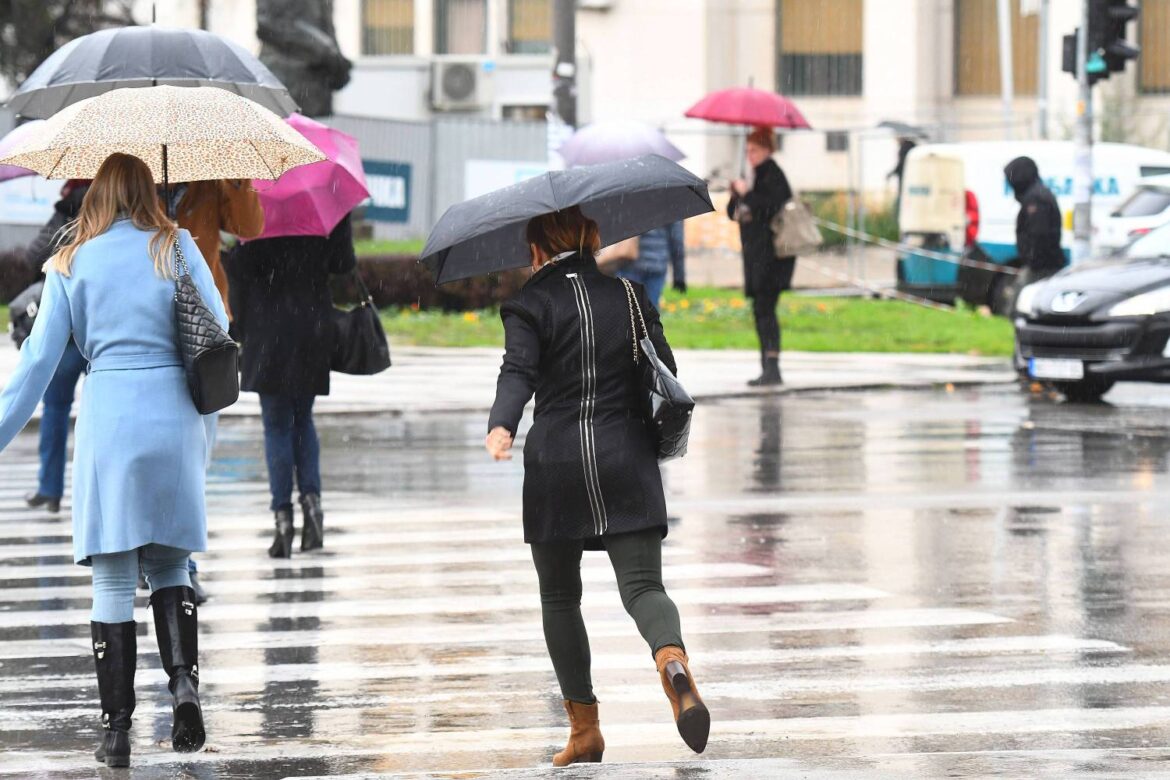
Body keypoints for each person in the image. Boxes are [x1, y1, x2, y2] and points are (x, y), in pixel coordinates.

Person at [0, 154, 223, 767]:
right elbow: (219, 328)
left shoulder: (72, 262)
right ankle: (183, 683)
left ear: (95, 195)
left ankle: (117, 732)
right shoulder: (175, 246)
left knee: (114, 578)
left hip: (113, 423)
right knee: (172, 567)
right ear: (149, 191)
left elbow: (37, 368)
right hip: (174, 416)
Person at [486, 207, 710, 766]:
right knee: (643, 589)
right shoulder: (630, 296)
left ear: (536, 244)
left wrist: (502, 423)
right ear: (590, 237)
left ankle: (584, 730)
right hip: (625, 458)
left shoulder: (527, 304)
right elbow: (666, 368)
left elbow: (517, 370)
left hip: (557, 463)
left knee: (560, 598)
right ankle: (671, 662)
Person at [227, 215, 356, 558]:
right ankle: (313, 507)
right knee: (303, 420)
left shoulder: (256, 204)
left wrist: (240, 331)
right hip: (311, 324)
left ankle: (282, 519)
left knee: (277, 426)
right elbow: (343, 263)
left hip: (266, 330)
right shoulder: (320, 204)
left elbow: (239, 273)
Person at [171, 178, 264, 602]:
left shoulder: (210, 185)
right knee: (158, 452)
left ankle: (184, 562)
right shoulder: (133, 184)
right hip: (152, 328)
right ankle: (147, 551)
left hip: (204, 330)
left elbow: (249, 226)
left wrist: (239, 181)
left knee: (195, 453)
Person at [20, 180, 89, 513]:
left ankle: (50, 488)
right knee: (98, 411)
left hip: (67, 333)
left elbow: (36, 254)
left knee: (56, 407)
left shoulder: (69, 209)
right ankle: (95, 490)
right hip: (102, 335)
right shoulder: (131, 209)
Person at [728, 128, 793, 387]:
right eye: (748, 151)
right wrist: (736, 193)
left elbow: (770, 206)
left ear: (767, 149)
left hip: (772, 257)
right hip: (755, 255)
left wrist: (747, 193)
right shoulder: (752, 176)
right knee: (759, 309)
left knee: (766, 309)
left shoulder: (773, 174)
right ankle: (766, 366)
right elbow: (734, 211)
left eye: (754, 150)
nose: (750, 155)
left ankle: (772, 367)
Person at [1004, 155, 1064, 291]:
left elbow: (1039, 234)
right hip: (1043, 265)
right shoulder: (1038, 194)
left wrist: (1033, 261)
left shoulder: (1036, 199)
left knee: (1020, 301)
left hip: (1041, 268)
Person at [616, 221, 687, 307]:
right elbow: (676, 239)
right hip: (656, 264)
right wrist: (679, 276)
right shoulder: (670, 208)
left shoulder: (628, 208)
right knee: (650, 311)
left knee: (629, 309)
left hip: (630, 263)